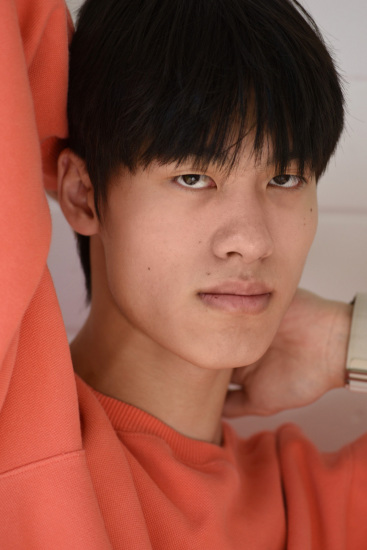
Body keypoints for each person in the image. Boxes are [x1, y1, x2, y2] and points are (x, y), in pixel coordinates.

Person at [0, 0, 366, 548]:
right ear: (82, 193)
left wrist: (346, 340)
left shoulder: (322, 502)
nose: (252, 241)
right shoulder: (19, 429)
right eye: (193, 177)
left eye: (286, 178)